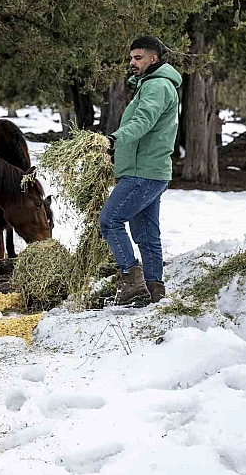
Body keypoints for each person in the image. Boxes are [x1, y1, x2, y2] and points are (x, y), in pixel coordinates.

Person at [99, 36, 182, 307]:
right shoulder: (153, 85)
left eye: (138, 58)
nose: (132, 63)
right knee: (146, 235)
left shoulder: (157, 86)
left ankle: (132, 280)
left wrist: (113, 140)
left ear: (153, 59)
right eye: (131, 58)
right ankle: (153, 289)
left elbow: (143, 122)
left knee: (109, 221)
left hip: (143, 172)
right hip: (150, 171)